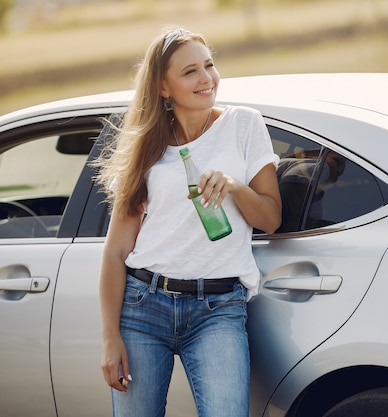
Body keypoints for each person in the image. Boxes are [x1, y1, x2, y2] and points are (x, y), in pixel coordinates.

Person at [94, 27, 282, 417]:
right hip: (144, 305)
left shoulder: (244, 125)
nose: (206, 78)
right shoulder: (147, 147)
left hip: (218, 308)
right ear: (163, 88)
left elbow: (271, 219)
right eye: (190, 71)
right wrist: (110, 339)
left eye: (209, 65)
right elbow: (116, 252)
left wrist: (233, 186)